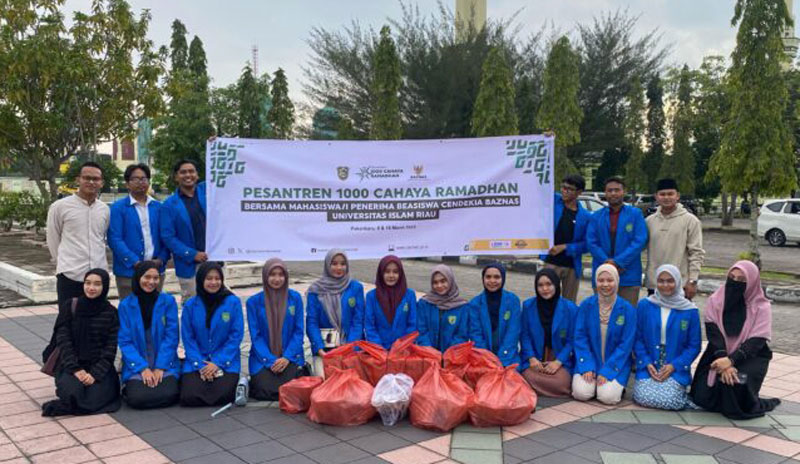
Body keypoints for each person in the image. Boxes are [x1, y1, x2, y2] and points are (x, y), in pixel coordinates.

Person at [690, 260, 781, 419]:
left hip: (750, 357)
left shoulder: (761, 307)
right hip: (719, 353)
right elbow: (714, 334)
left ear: (751, 282)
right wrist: (724, 360)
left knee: (735, 385)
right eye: (732, 277)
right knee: (702, 397)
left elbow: (756, 342)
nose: (735, 283)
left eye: (741, 280)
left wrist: (731, 361)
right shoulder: (716, 300)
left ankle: (751, 400)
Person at [42, 269, 121, 416]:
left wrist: (95, 374)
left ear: (105, 287)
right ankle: (72, 398)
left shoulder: (111, 313)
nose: (91, 288)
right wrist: (76, 369)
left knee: (99, 397)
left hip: (100, 366)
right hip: (72, 365)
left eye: (97, 284)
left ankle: (71, 405)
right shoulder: (70, 306)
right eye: (88, 283)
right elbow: (64, 341)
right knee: (73, 392)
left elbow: (110, 348)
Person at [632, 264, 701, 410]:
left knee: (669, 400)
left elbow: (694, 346)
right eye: (661, 281)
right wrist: (646, 362)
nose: (665, 285)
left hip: (674, 364)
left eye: (670, 281)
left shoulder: (689, 310)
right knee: (643, 397)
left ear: (678, 282)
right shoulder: (645, 305)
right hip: (650, 363)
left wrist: (674, 366)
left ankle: (680, 391)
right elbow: (637, 338)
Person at [117, 261, 180, 409]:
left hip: (162, 359)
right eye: (147, 277)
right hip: (138, 362)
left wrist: (161, 367)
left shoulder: (167, 301)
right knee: (137, 398)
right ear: (138, 277)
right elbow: (125, 342)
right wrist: (142, 368)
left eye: (155, 278)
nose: (151, 282)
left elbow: (171, 337)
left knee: (169, 394)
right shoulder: (126, 305)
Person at [179, 262, 243, 407]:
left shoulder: (232, 302)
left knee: (224, 394)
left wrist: (217, 363)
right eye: (209, 278)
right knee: (190, 396)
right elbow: (188, 338)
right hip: (198, 359)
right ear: (201, 280)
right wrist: (200, 365)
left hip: (225, 360)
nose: (213, 282)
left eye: (217, 278)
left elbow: (235, 336)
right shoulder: (190, 305)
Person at [46, 161, 110, 306]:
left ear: (101, 182)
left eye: (96, 179)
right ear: (78, 180)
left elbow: (102, 237)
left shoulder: (104, 209)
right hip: (70, 275)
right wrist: (63, 263)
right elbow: (53, 239)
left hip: (98, 275)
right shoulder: (60, 207)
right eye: (86, 178)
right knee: (68, 320)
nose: (91, 182)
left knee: (97, 321)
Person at [572, 264, 637, 405]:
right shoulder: (586, 305)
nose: (605, 284)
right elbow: (580, 338)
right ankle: (595, 381)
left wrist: (608, 371)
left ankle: (611, 384)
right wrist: (587, 365)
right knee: (581, 393)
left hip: (615, 363)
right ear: (596, 282)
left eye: (610, 280)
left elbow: (626, 345)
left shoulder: (628, 310)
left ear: (617, 281)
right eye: (601, 280)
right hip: (590, 359)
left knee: (608, 397)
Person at [246, 259, 306, 400]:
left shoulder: (295, 298)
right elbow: (256, 336)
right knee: (264, 390)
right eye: (272, 274)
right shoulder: (253, 302)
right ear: (265, 276)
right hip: (263, 358)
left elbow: (298, 332)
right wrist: (270, 360)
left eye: (281, 274)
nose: (277, 279)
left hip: (290, 356)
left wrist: (286, 357)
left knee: (293, 388)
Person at [108, 164, 169, 300]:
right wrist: (135, 262)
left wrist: (161, 259)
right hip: (129, 272)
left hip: (156, 271)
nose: (140, 182)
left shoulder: (159, 207)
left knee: (153, 312)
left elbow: (167, 236)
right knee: (130, 313)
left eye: (144, 179)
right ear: (127, 184)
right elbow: (114, 239)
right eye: (136, 179)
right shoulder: (118, 208)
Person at [586, 176, 648, 307]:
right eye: (609, 190)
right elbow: (591, 242)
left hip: (628, 274)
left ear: (623, 192)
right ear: (605, 193)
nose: (613, 193)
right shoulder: (596, 217)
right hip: (603, 275)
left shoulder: (635, 214)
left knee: (627, 314)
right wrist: (607, 264)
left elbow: (640, 240)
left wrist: (618, 262)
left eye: (617, 190)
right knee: (603, 315)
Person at [520, 269, 579, 398]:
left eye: (549, 284)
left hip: (559, 357)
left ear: (557, 285)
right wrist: (532, 358)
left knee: (561, 382)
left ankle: (533, 387)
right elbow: (525, 335)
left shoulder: (570, 308)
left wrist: (558, 362)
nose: (545, 289)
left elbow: (572, 340)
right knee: (525, 376)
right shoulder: (528, 306)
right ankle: (538, 386)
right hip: (536, 358)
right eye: (540, 285)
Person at [306, 250, 365, 376]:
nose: (339, 268)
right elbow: (312, 322)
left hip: (350, 346)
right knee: (323, 381)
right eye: (334, 263)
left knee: (352, 381)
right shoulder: (315, 290)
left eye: (343, 264)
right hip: (325, 349)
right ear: (327, 265)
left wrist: (350, 348)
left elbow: (358, 321)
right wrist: (319, 349)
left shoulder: (355, 287)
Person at [645, 179, 704, 299]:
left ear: (677, 196)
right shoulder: (649, 221)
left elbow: (696, 253)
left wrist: (692, 280)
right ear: (656, 197)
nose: (666, 197)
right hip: (654, 284)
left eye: (670, 194)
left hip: (680, 285)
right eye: (662, 194)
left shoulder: (690, 221)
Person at [160, 159, 207, 303]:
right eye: (183, 172)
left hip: (214, 260)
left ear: (197, 175)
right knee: (191, 305)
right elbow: (168, 237)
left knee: (217, 304)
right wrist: (192, 254)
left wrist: (215, 144)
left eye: (191, 171)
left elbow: (222, 173)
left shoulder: (207, 191)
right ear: (176, 177)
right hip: (188, 266)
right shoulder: (169, 205)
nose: (188, 175)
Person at [540, 175, 592, 302]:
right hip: (550, 262)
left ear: (579, 192)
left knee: (569, 304)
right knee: (547, 300)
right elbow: (539, 188)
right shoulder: (554, 201)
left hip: (572, 266)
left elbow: (587, 244)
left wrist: (565, 247)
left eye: (569, 189)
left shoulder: (585, 216)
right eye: (563, 187)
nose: (564, 191)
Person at [469, 263, 521, 367]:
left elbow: (513, 333)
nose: (492, 281)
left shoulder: (513, 301)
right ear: (483, 279)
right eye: (488, 277)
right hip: (482, 359)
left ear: (503, 278)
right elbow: (476, 335)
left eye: (497, 277)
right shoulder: (475, 303)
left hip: (508, 357)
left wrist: (502, 360)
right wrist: (488, 359)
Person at [364, 256, 417, 349]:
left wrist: (400, 346)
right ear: (381, 273)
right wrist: (379, 348)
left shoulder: (409, 295)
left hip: (403, 351)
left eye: (395, 272)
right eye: (387, 271)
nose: (391, 275)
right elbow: (369, 326)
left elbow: (413, 325)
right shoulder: (371, 296)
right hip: (378, 352)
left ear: (401, 274)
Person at [417, 265, 472, 352]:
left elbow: (462, 335)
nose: (439, 285)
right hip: (427, 355)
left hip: (452, 358)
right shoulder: (424, 304)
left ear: (450, 280)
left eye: (443, 281)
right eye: (435, 282)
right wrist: (429, 351)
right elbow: (421, 331)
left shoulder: (463, 307)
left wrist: (448, 354)